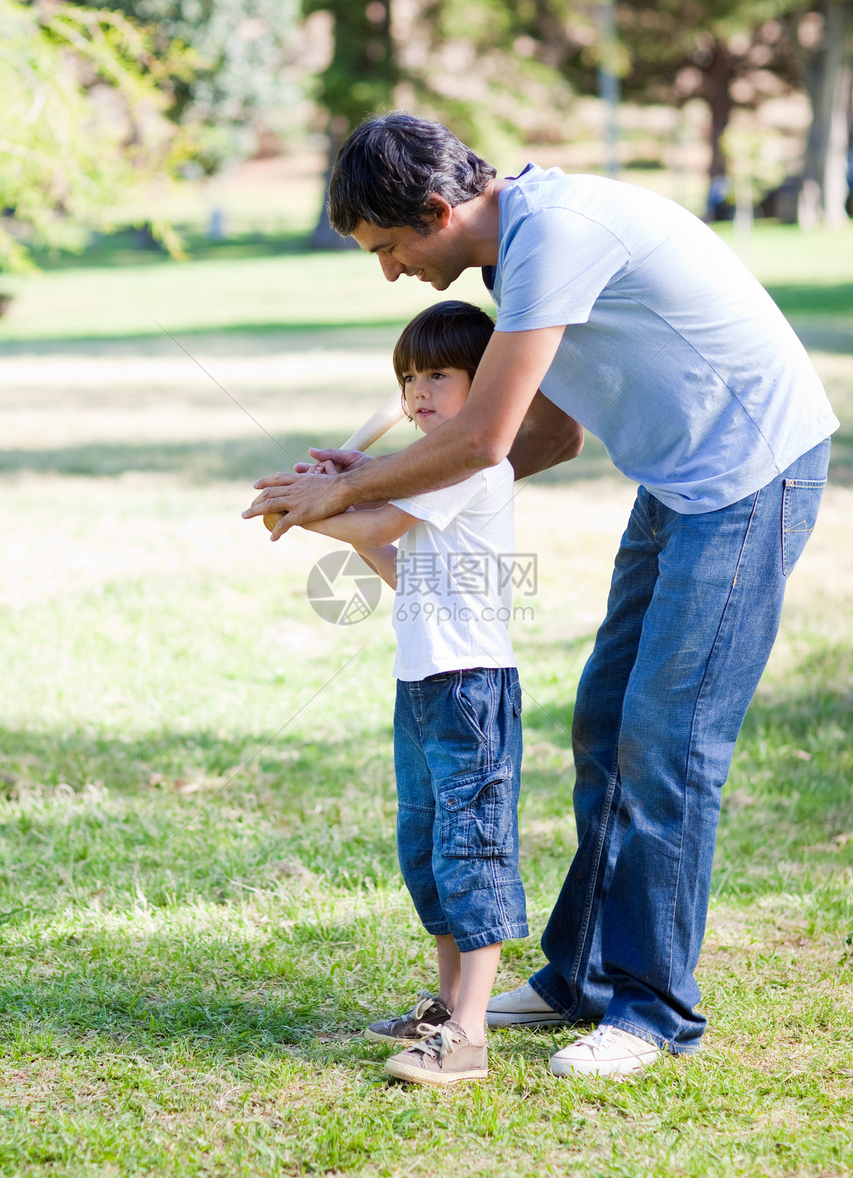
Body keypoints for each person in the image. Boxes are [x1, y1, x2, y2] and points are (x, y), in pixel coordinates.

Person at [243, 112, 839, 1078]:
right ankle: (582, 976)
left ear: (438, 211)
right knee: (606, 720)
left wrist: (350, 488)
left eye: (390, 249)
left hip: (749, 476)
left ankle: (652, 1010)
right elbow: (545, 439)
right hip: (680, 482)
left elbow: (480, 439)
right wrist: (384, 481)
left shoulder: (553, 235)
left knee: (668, 740)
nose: (390, 273)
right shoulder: (515, 260)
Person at [293, 300, 528, 1087]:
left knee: (472, 852)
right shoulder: (432, 468)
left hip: (470, 689)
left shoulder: (470, 464)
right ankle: (446, 1004)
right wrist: (337, 495)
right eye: (408, 378)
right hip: (423, 685)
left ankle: (469, 1036)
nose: (418, 391)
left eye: (438, 375)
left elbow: (375, 527)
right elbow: (401, 567)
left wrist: (312, 503)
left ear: (483, 385)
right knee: (429, 853)